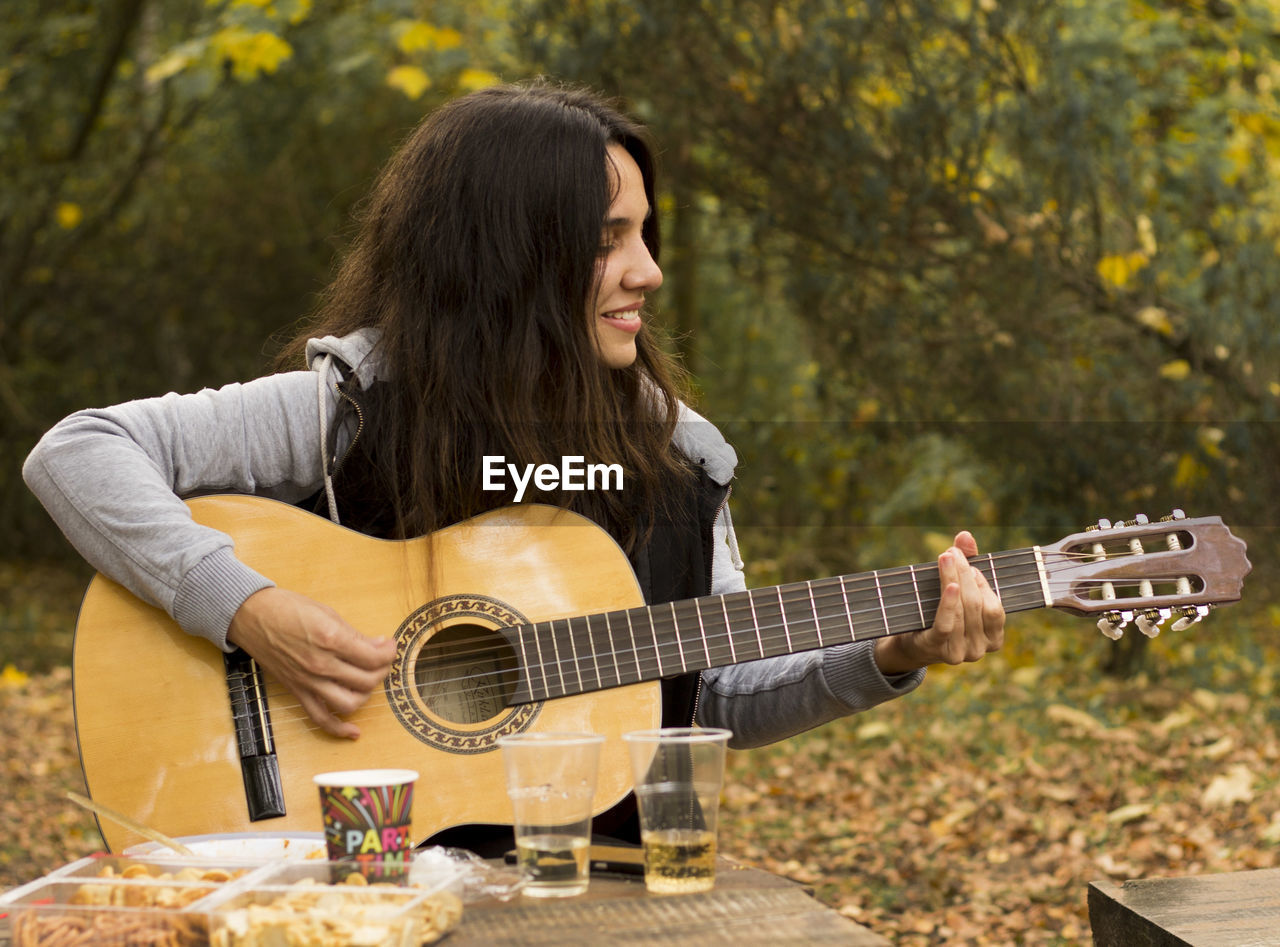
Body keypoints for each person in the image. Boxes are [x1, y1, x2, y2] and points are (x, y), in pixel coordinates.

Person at [23, 80, 1004, 852]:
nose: (648, 272)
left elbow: (713, 698)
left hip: (593, 894)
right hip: (355, 876)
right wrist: (249, 608)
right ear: (511, 256)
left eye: (644, 236)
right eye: (608, 239)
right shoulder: (351, 404)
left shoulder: (679, 455)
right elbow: (79, 451)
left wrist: (890, 651)